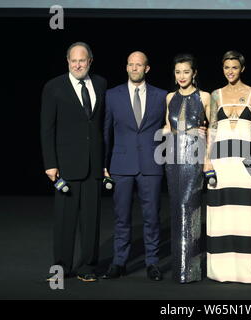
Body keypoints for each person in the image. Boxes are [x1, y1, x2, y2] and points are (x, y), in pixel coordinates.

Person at [41, 42, 107, 282]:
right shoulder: (54, 87)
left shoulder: (100, 84)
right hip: (66, 165)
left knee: (91, 222)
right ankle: (61, 267)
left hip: (94, 164)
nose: (78, 65)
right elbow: (46, 128)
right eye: (73, 61)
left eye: (82, 60)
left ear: (90, 61)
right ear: (68, 62)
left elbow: (101, 126)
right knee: (64, 221)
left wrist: (105, 162)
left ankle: (87, 267)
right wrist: (50, 163)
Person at [204, 50, 251, 283]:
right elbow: (212, 129)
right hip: (222, 160)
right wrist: (207, 159)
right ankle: (223, 268)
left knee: (245, 212)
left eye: (234, 67)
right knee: (224, 211)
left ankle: (248, 266)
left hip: (246, 159)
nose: (230, 72)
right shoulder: (216, 95)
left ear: (242, 68)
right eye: (226, 68)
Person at [102, 51, 167, 281]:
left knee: (151, 217)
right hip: (121, 164)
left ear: (147, 68)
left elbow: (169, 129)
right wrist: (104, 164)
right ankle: (119, 262)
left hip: (151, 164)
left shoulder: (162, 96)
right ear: (126, 67)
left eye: (139, 65)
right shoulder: (112, 95)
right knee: (121, 218)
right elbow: (106, 131)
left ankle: (152, 262)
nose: (134, 68)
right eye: (131, 64)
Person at [163, 53, 210, 283]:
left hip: (194, 157)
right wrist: (180, 132)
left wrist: (202, 139)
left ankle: (190, 270)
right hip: (172, 156)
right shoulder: (170, 96)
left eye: (186, 72)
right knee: (176, 208)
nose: (182, 76)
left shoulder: (205, 97)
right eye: (178, 72)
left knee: (190, 208)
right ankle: (178, 268)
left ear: (194, 73)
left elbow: (213, 130)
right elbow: (166, 127)